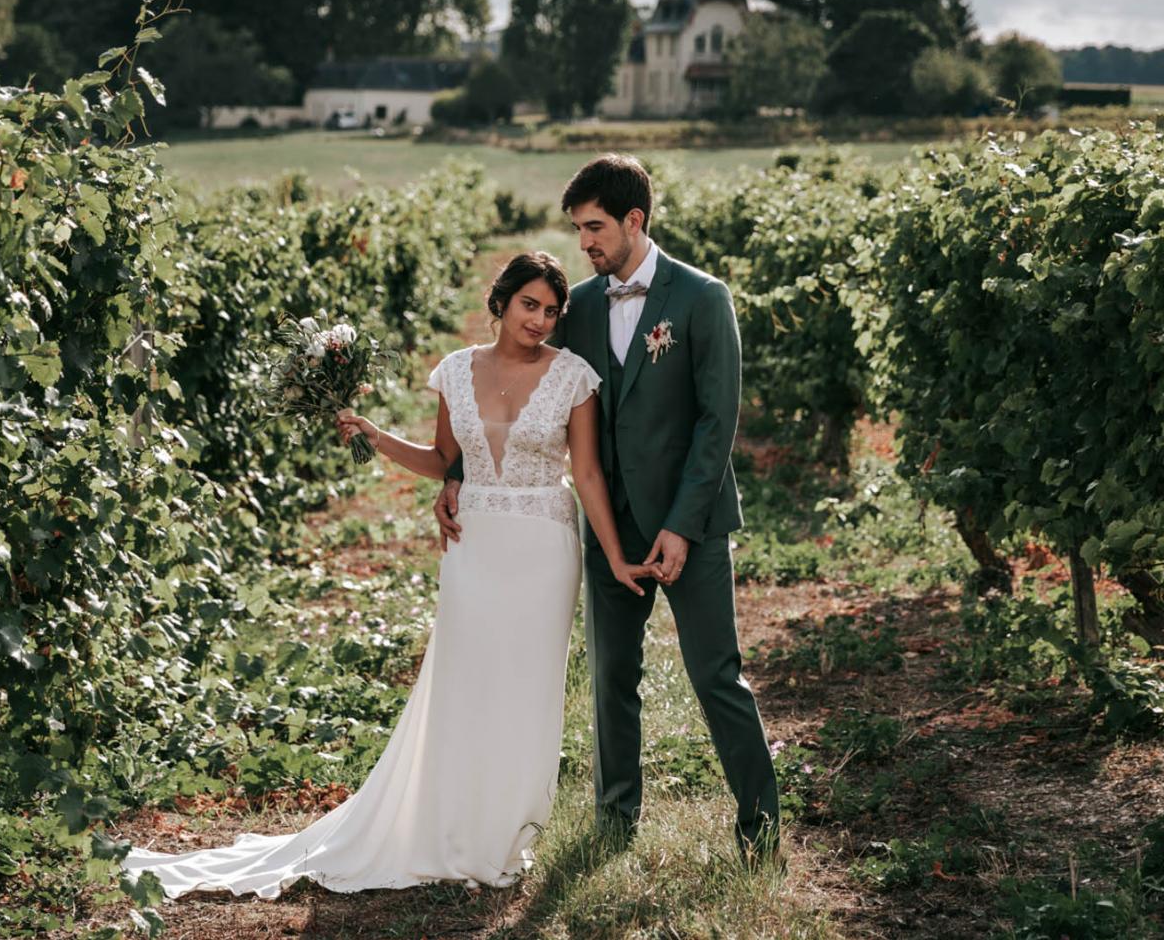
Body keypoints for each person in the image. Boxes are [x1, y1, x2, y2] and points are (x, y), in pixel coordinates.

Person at [122, 250, 657, 898]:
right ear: (501, 302)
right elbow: (441, 460)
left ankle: (505, 836)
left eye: (551, 310)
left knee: (527, 689)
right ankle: (452, 825)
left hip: (545, 546)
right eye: (529, 305)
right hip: (474, 546)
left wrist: (615, 555)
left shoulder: (573, 376)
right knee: (465, 684)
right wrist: (374, 435)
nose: (540, 320)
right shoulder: (456, 372)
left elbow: (590, 475)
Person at [436, 153, 783, 865]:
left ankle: (761, 829)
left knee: (716, 675)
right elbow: (525, 391)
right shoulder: (583, 307)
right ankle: (615, 822)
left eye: (594, 227)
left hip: (691, 524)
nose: (585, 243)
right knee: (611, 679)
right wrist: (456, 467)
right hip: (606, 529)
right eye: (577, 229)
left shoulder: (701, 298)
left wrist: (682, 525)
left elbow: (719, 422)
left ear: (635, 220)